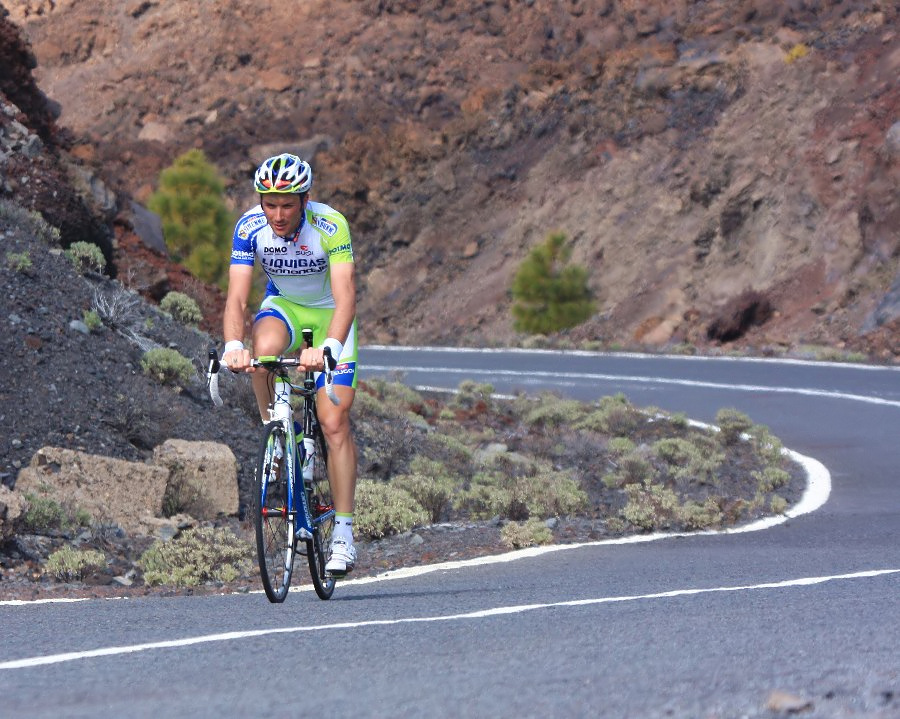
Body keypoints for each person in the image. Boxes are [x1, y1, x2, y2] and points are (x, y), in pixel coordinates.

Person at [221, 152, 359, 574]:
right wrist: (231, 344)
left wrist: (330, 347)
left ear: (305, 199)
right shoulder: (249, 227)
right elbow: (238, 298)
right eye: (269, 203)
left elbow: (347, 295)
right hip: (285, 308)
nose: (277, 214)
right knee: (261, 355)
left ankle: (344, 533)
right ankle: (277, 433)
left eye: (286, 204)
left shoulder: (330, 226)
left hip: (330, 314)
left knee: (333, 422)